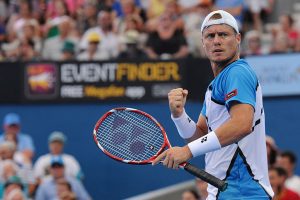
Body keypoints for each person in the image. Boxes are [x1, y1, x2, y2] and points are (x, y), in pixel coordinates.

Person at [153, 10, 274, 199]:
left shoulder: (237, 72)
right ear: (203, 42)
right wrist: (179, 116)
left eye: (223, 34)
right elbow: (199, 135)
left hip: (242, 192)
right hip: (224, 191)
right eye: (210, 36)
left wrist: (187, 152)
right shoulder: (214, 86)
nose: (216, 41)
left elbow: (242, 124)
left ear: (238, 38)